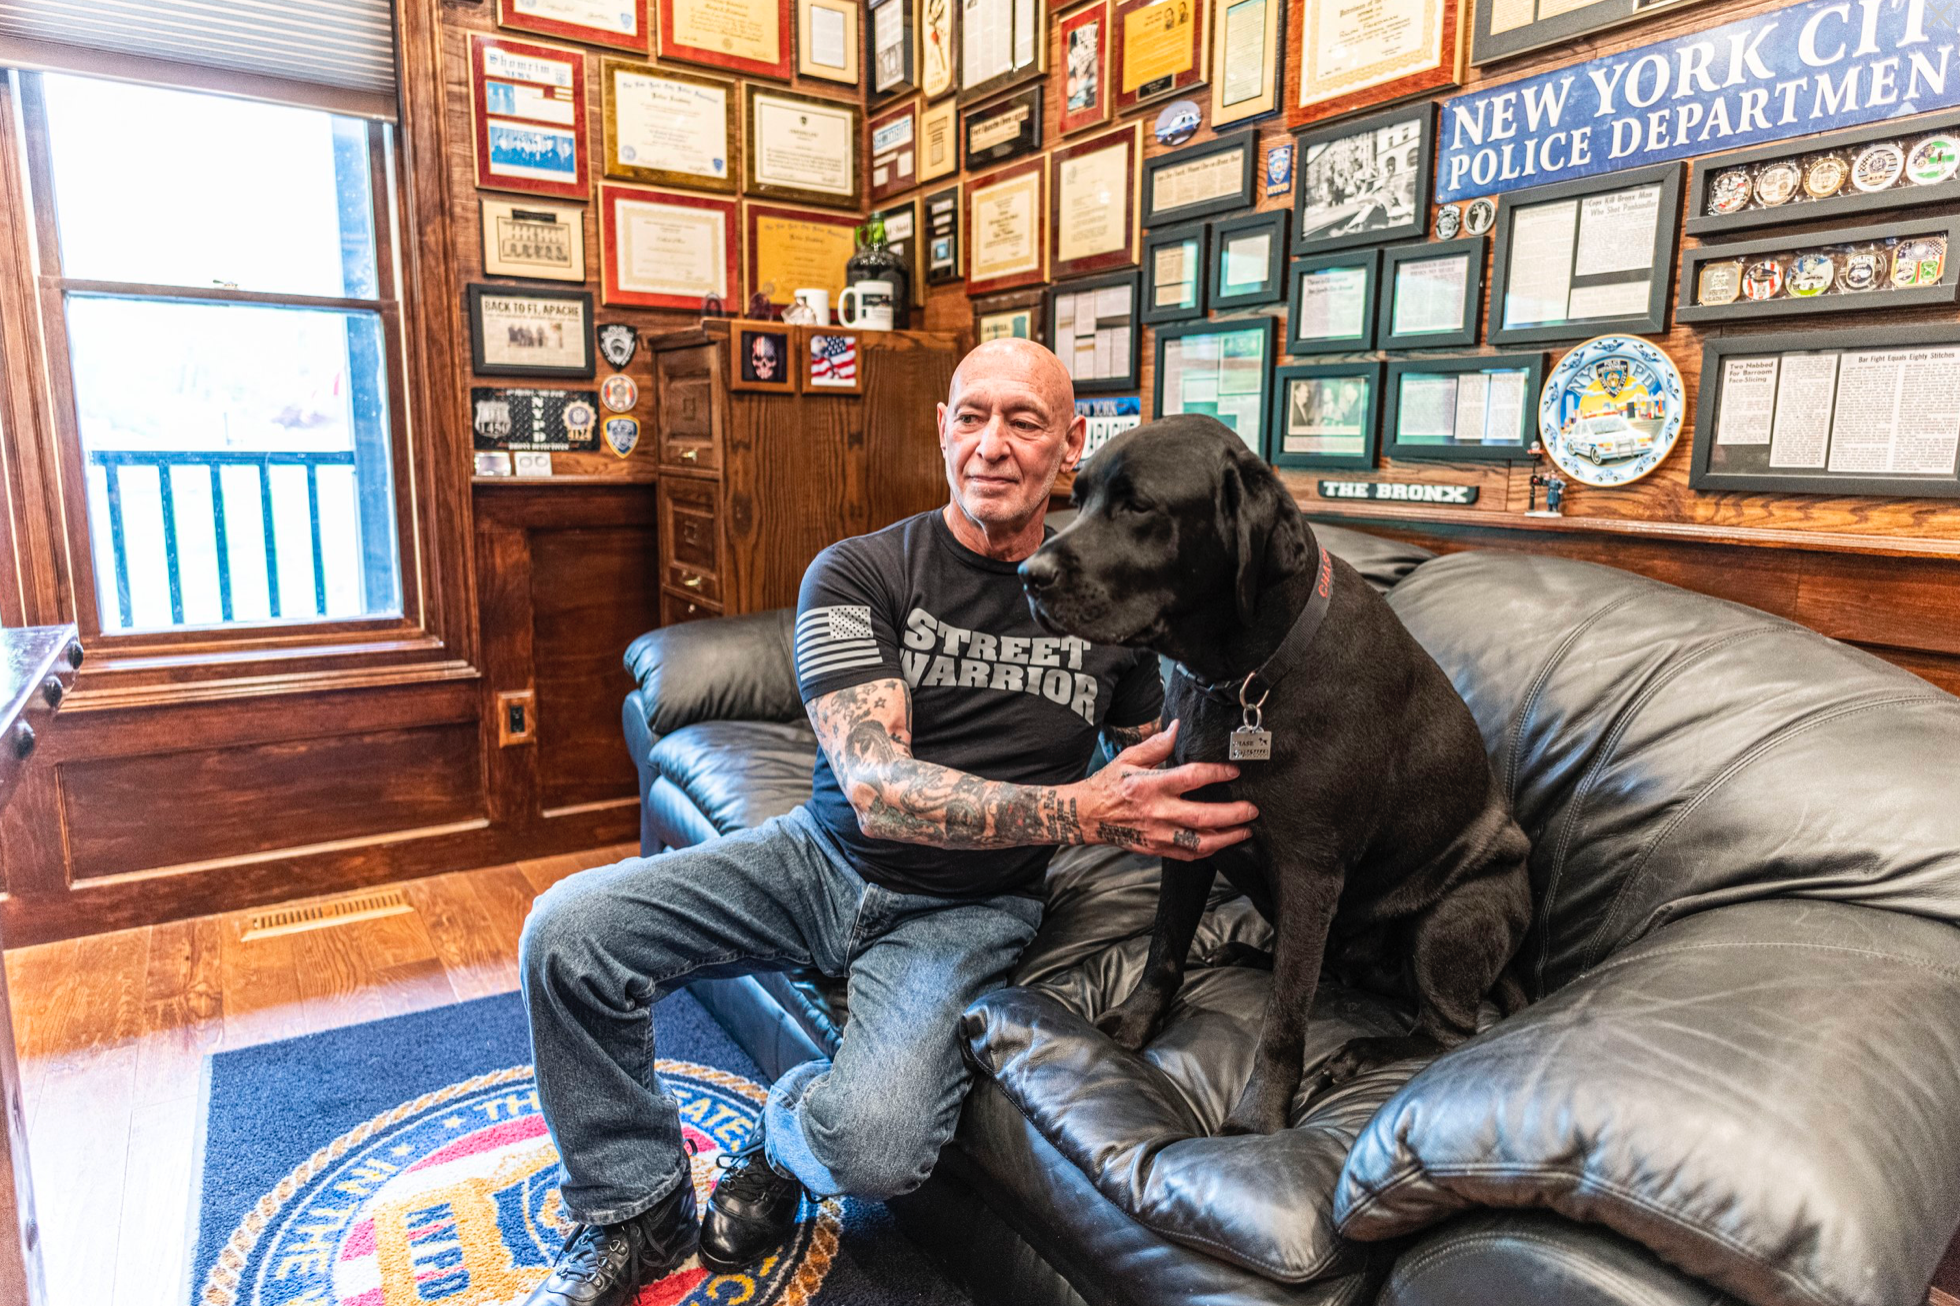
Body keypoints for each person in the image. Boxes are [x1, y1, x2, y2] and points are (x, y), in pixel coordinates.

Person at [518, 338, 1259, 1306]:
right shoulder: (863, 570)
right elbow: (875, 783)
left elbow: (1158, 762)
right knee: (567, 931)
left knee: (872, 1150)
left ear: (1070, 444)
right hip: (817, 859)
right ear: (941, 432)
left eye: (1023, 421)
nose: (991, 445)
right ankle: (632, 1208)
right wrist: (1082, 810)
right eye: (970, 416)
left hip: (969, 910)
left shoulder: (1113, 604)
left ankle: (784, 1140)